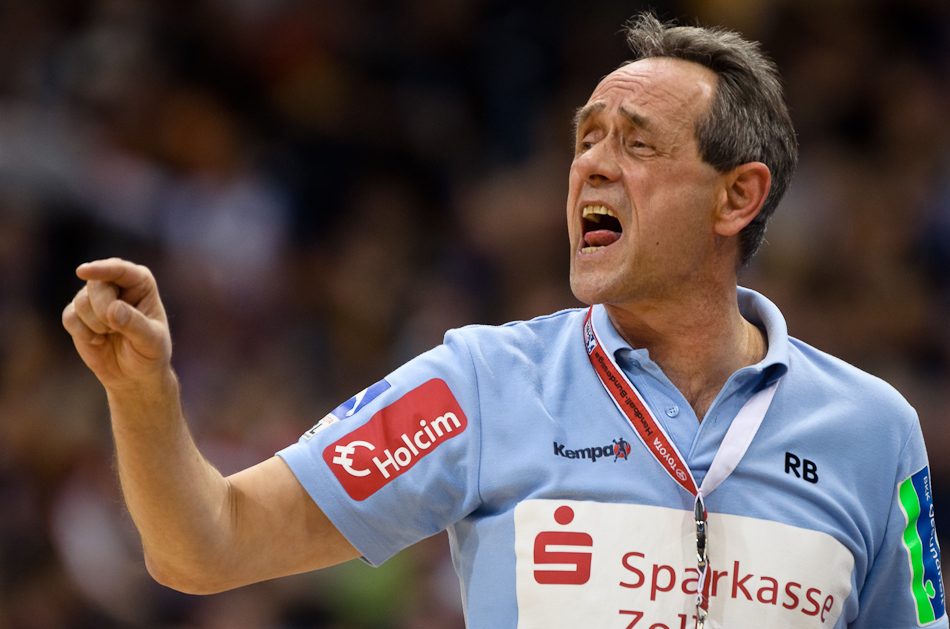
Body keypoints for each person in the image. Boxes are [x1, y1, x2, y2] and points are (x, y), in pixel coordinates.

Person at [62, 12, 946, 629]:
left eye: (637, 143)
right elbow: (207, 545)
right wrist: (143, 392)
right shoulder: (480, 386)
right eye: (585, 140)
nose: (592, 166)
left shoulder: (873, 430)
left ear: (738, 197)